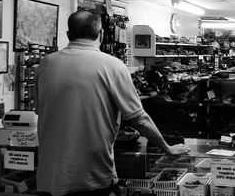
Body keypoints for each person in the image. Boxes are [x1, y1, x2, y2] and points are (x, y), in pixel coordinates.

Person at [35, 10, 189, 196]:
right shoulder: (113, 65)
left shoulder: (45, 65)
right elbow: (140, 119)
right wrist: (167, 148)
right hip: (93, 178)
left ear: (68, 35)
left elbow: (41, 110)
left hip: (49, 178)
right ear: (101, 35)